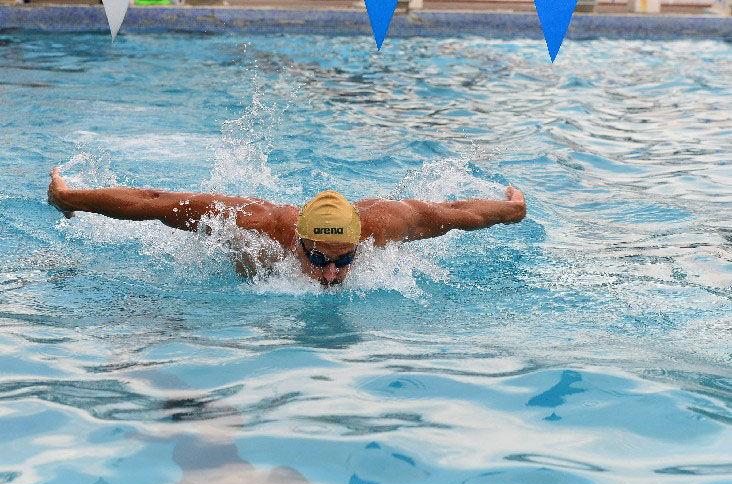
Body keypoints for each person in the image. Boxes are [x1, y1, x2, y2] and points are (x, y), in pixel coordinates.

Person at [47, 167, 526, 286]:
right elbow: (155, 202)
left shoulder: (388, 224)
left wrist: (513, 208)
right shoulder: (262, 225)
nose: (330, 275)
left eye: (345, 260)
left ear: (361, 241)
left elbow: (461, 214)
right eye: (317, 259)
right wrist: (69, 198)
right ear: (299, 239)